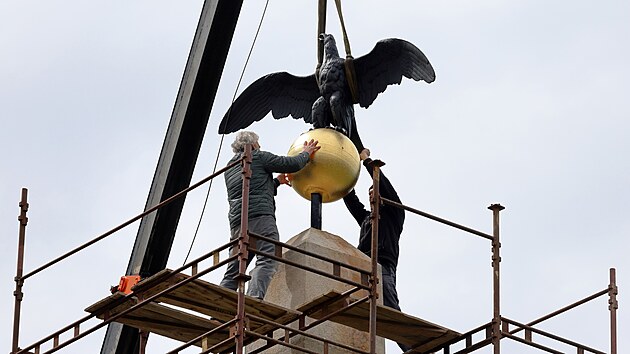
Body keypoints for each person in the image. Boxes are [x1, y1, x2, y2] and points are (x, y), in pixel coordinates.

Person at [219, 131, 320, 299]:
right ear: (253, 145)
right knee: (267, 258)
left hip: (238, 223)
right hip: (261, 218)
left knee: (234, 270)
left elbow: (252, 189)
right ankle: (254, 298)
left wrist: (276, 182)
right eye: (258, 143)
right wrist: (306, 153)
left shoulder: (229, 168)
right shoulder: (257, 156)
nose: (260, 146)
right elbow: (291, 164)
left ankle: (217, 309)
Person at [342, 148, 410, 352]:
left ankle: (411, 348)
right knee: (359, 310)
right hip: (363, 268)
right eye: (370, 194)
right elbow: (351, 200)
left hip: (383, 268)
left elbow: (388, 189)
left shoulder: (394, 215)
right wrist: (344, 169)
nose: (372, 197)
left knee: (390, 309)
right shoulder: (366, 220)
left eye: (375, 193)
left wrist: (367, 162)